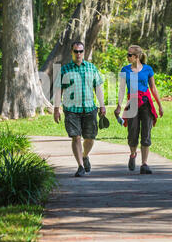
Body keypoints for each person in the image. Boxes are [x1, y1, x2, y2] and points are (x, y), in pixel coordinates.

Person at [53, 41, 106, 177]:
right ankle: (80, 166)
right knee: (76, 137)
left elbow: (98, 88)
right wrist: (56, 108)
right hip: (71, 110)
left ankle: (85, 155)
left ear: (84, 52)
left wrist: (102, 105)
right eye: (76, 51)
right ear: (71, 52)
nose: (78, 54)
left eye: (80, 51)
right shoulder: (65, 70)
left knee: (90, 138)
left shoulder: (91, 68)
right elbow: (59, 90)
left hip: (89, 108)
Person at [114, 45, 164, 174]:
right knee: (132, 132)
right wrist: (119, 106)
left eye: (129, 55)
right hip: (132, 103)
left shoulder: (148, 69)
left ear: (136, 57)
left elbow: (153, 88)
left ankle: (144, 164)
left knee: (146, 132)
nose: (127, 57)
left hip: (146, 103)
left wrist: (159, 105)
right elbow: (121, 89)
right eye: (128, 54)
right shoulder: (125, 70)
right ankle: (132, 154)